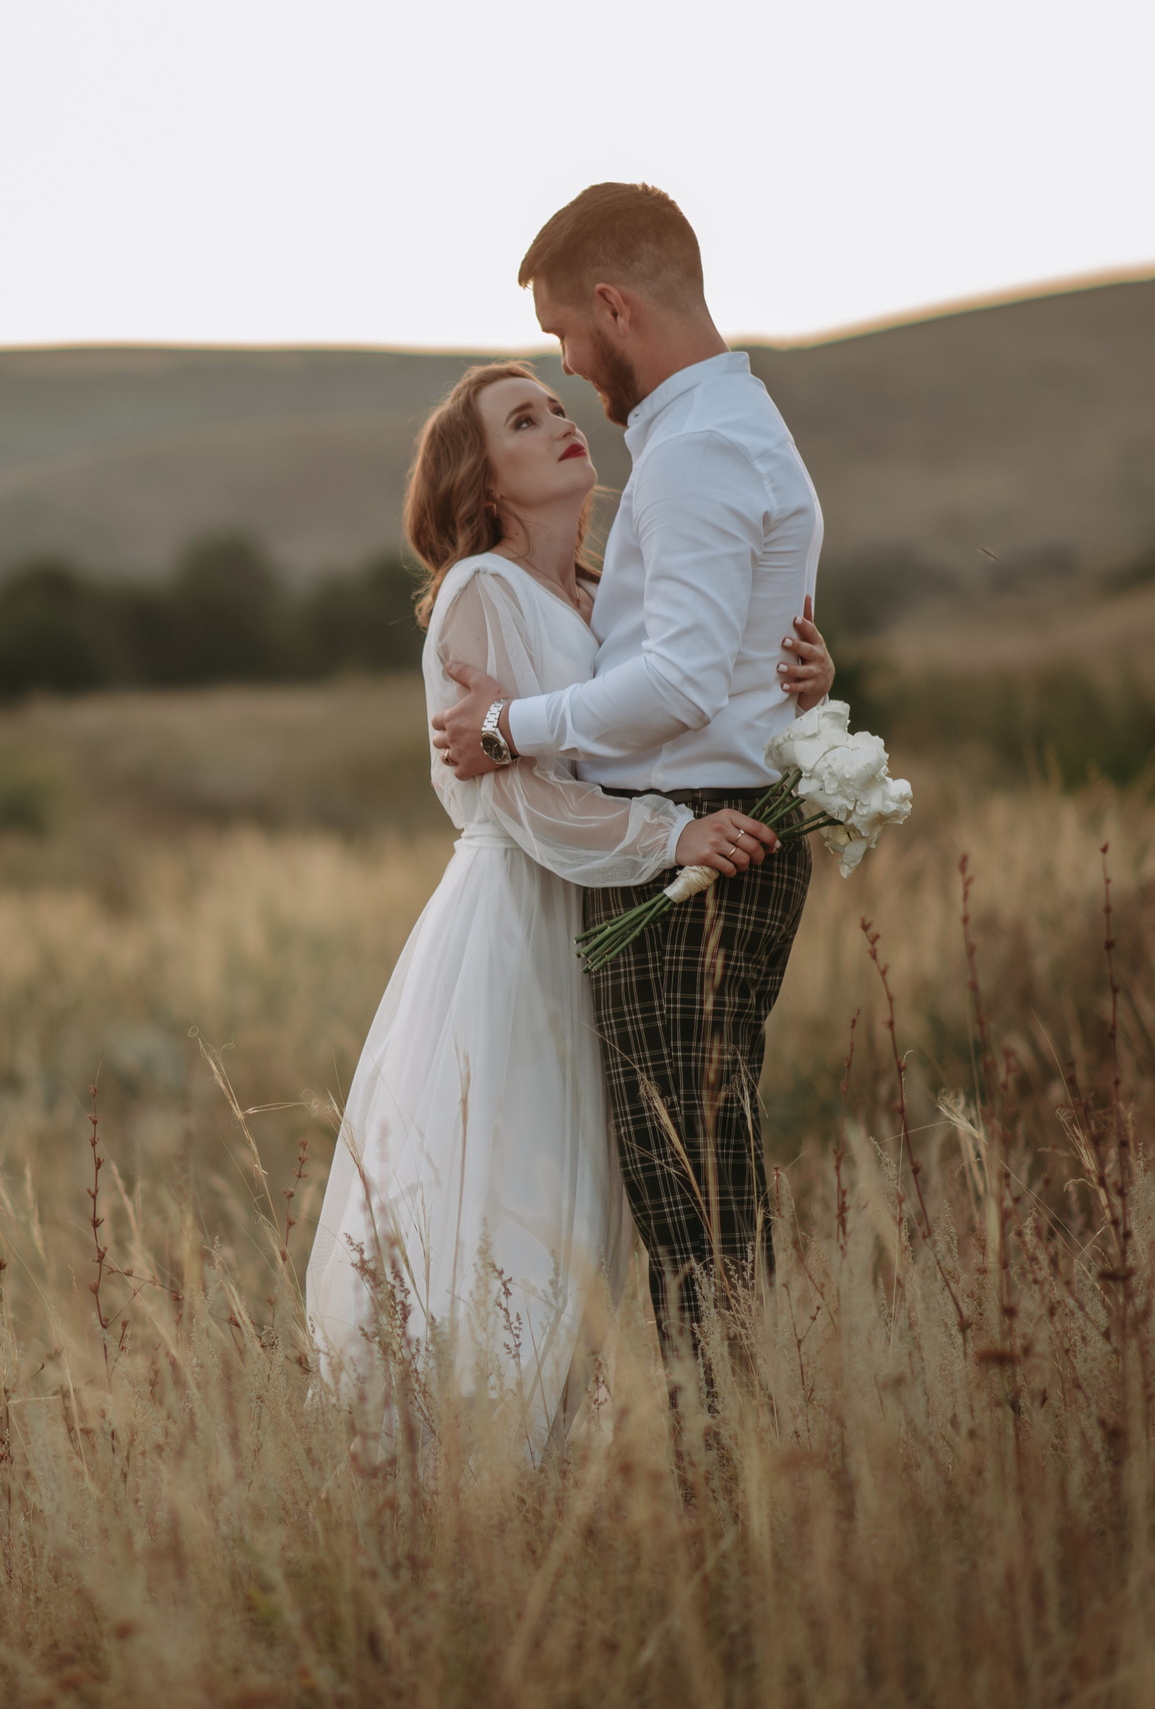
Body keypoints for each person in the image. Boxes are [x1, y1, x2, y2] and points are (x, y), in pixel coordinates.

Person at [301, 351, 832, 1452]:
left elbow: (665, 706)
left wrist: (802, 681)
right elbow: (513, 797)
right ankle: (456, 1454)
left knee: (584, 1197)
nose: (560, 423)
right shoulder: (478, 592)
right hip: (517, 921)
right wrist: (667, 834)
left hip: (597, 918)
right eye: (524, 420)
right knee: (503, 1180)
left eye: (554, 406)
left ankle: (535, 1456)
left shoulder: (598, 594)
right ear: (483, 477)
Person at [430, 183, 829, 1384]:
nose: (568, 375)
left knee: (687, 1193)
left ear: (611, 306)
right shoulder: (734, 427)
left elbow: (681, 679)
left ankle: (730, 1483)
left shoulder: (695, 447)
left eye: (564, 340)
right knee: (695, 1180)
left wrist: (508, 725)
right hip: (681, 836)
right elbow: (730, 645)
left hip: (697, 849)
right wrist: (795, 685)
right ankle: (731, 1463)